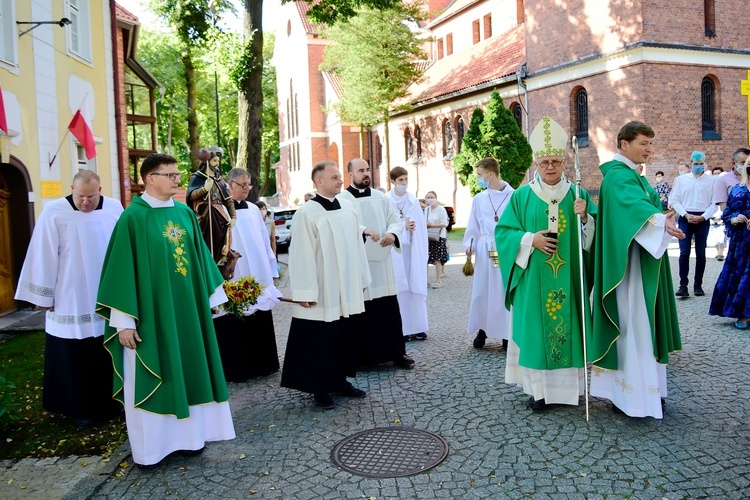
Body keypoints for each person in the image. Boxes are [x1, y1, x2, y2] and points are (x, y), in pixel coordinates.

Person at [96, 153, 235, 467]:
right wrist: (123, 323)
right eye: (169, 174)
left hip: (187, 314)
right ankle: (152, 451)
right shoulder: (133, 218)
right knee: (155, 371)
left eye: (176, 174)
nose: (177, 179)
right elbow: (121, 273)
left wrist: (211, 301)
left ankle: (190, 440)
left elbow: (200, 259)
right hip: (150, 317)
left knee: (187, 369)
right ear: (150, 178)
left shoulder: (184, 213)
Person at [495, 116, 596, 411]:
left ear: (565, 162)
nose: (550, 167)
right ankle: (539, 392)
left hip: (569, 282)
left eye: (555, 161)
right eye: (544, 162)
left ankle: (568, 392)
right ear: (535, 165)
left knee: (568, 329)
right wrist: (529, 240)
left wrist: (586, 217)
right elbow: (503, 233)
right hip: (533, 283)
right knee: (537, 334)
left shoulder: (578, 195)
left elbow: (592, 240)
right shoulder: (522, 196)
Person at [590, 121, 684, 419]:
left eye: (649, 144)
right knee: (634, 325)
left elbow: (646, 207)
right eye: (643, 143)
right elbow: (634, 207)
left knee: (644, 324)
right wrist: (659, 220)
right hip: (628, 270)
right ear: (624, 144)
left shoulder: (633, 175)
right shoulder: (618, 177)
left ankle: (648, 390)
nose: (648, 149)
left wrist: (662, 218)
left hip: (642, 262)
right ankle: (630, 396)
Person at [15, 170, 123, 427]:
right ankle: (79, 408)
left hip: (105, 290)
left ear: (100, 191)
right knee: (74, 350)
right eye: (80, 196)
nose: (85, 202)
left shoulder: (115, 209)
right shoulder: (54, 212)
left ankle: (112, 401)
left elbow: (122, 248)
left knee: (105, 347)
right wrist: (43, 293)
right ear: (72, 190)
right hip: (69, 292)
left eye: (91, 196)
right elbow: (43, 252)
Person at [280, 161, 372, 409]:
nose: (340, 181)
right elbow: (301, 255)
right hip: (324, 287)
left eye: (340, 176)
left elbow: (357, 246)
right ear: (318, 181)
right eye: (334, 177)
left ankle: (340, 380)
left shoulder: (348, 208)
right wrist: (305, 291)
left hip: (348, 286)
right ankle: (319, 388)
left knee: (345, 335)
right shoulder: (306, 213)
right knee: (322, 339)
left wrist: (362, 278)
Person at [338, 158, 416, 368]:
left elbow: (394, 220)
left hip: (382, 262)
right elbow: (342, 225)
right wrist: (363, 229)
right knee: (363, 311)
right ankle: (364, 358)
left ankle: (397, 353)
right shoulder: (341, 200)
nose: (366, 173)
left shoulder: (380, 197)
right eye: (360, 170)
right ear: (350, 175)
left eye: (367, 170)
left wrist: (391, 233)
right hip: (359, 263)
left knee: (388, 309)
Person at [212, 168, 283, 382]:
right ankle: (239, 369)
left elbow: (263, 239)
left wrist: (270, 269)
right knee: (234, 317)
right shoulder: (219, 210)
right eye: (243, 185)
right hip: (234, 273)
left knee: (259, 317)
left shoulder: (253, 209)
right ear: (229, 184)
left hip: (257, 272)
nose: (247, 189)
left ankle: (265, 364)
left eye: (249, 185)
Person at [465, 157, 514, 350]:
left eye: (479, 175)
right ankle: (483, 330)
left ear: (490, 174)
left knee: (502, 290)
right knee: (483, 290)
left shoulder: (513, 196)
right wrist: (470, 244)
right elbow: (473, 225)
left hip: (503, 249)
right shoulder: (479, 199)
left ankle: (506, 334)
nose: (478, 178)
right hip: (485, 250)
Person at [387, 166, 429, 342]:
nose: (404, 183)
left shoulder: (413, 201)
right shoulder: (386, 201)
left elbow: (422, 229)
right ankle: (402, 328)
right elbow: (386, 225)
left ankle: (419, 327)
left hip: (412, 249)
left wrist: (412, 230)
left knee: (415, 287)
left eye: (406, 179)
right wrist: (403, 228)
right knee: (400, 290)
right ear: (393, 181)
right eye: (401, 180)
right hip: (395, 251)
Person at [709, 156, 750, 329]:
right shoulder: (737, 190)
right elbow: (726, 214)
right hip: (741, 242)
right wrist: (735, 218)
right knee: (743, 275)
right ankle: (742, 314)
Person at [668, 151, 715, 297]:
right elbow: (675, 200)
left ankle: (698, 285)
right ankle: (683, 285)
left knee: (700, 253)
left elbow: (714, 203)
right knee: (684, 252)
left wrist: (704, 217)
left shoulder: (712, 181)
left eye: (701, 164)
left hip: (703, 218)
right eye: (696, 164)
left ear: (705, 163)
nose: (698, 166)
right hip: (685, 216)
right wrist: (685, 214)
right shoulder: (681, 180)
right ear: (691, 163)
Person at [187, 148, 237, 274]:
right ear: (207, 162)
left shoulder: (219, 180)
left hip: (220, 217)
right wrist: (204, 189)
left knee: (222, 246)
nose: (217, 164)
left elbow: (228, 200)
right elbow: (191, 195)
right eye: (214, 161)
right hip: (206, 217)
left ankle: (221, 267)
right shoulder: (197, 177)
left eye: (218, 161)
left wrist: (233, 216)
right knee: (207, 246)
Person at [712, 148, 750, 261]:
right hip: (739, 232)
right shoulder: (727, 183)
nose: (746, 166)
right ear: (734, 163)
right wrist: (735, 218)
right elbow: (725, 209)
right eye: (743, 163)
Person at [424, 191, 449, 288]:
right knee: (425, 259)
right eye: (428, 197)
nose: (430, 199)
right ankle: (425, 280)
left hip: (438, 236)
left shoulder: (441, 209)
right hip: (427, 236)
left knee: (437, 259)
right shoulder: (426, 210)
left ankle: (438, 280)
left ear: (436, 198)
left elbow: (444, 224)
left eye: (432, 197)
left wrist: (432, 225)